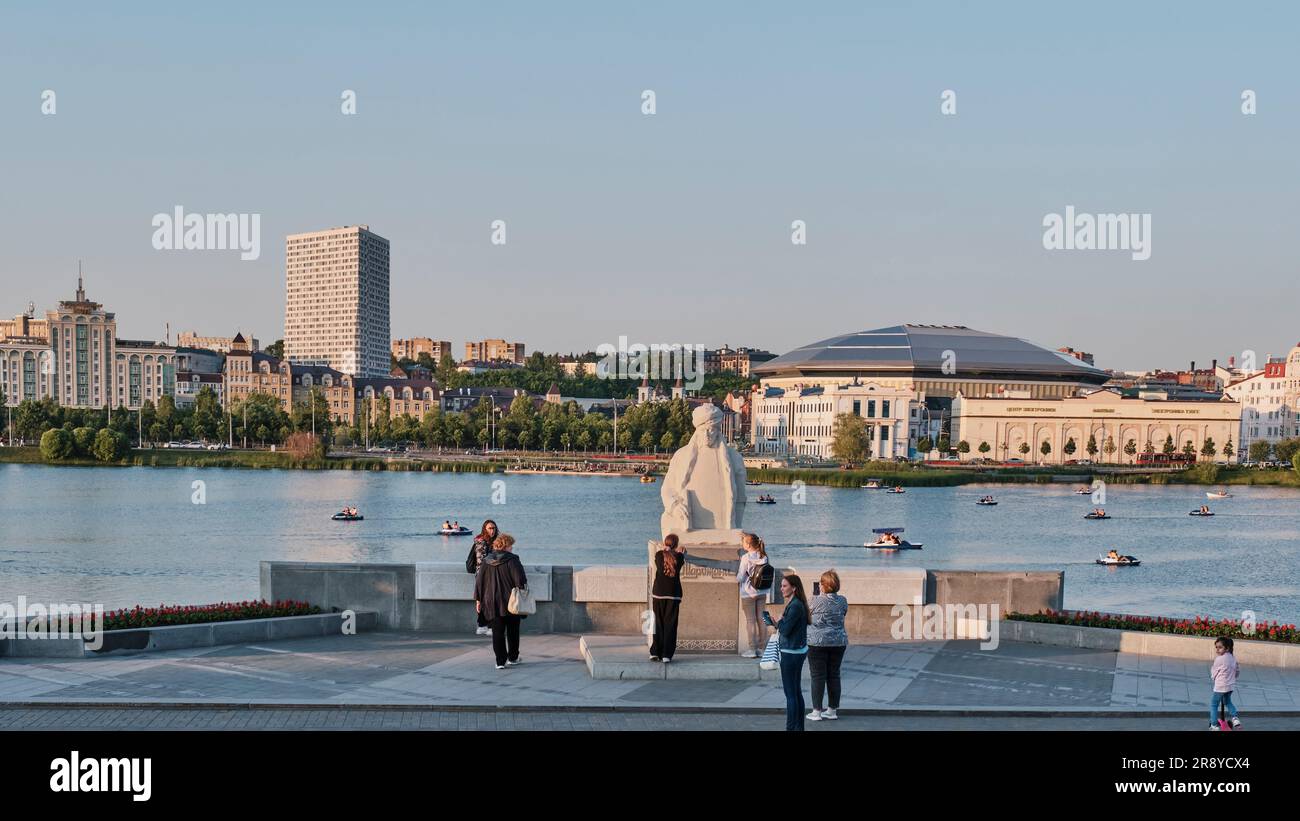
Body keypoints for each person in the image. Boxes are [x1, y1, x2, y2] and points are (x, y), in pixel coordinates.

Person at [474, 533, 528, 670]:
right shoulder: (513, 559)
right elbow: (520, 580)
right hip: (511, 601)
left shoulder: (486, 560)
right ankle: (513, 658)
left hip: (491, 602)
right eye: (511, 546)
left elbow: (480, 582)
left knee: (497, 632)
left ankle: (500, 661)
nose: (512, 548)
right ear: (506, 545)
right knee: (513, 631)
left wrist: (478, 600)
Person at [807, 570, 848, 721]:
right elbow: (843, 614)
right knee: (834, 675)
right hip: (838, 642)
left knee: (817, 676)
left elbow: (807, 615)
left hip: (817, 643)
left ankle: (816, 711)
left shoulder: (815, 600)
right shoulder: (843, 600)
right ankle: (832, 710)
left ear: (823, 585)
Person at [773, 574, 810, 731]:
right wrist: (780, 622)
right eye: (781, 586)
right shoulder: (797, 603)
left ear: (794, 587)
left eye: (785, 586)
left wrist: (778, 622)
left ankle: (791, 728)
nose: (781, 589)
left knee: (791, 694)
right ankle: (799, 727)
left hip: (791, 652)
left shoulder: (795, 606)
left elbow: (786, 631)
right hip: (797, 651)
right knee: (796, 691)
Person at [650, 533, 686, 662]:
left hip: (658, 594)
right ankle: (666, 655)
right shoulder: (679, 557)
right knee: (670, 625)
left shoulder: (659, 555)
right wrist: (680, 552)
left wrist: (664, 549)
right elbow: (679, 557)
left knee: (657, 623)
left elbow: (659, 557)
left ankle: (655, 652)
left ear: (665, 543)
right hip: (673, 595)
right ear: (676, 544)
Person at [736, 532, 770, 658]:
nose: (742, 543)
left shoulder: (746, 558)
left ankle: (752, 649)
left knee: (751, 621)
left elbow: (740, 577)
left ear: (748, 545)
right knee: (761, 620)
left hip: (748, 593)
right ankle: (762, 648)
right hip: (762, 592)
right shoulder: (764, 556)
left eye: (744, 542)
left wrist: (736, 578)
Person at [470, 520, 500, 636]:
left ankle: (487, 625)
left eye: (493, 528)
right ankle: (483, 625)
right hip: (483, 575)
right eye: (489, 528)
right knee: (484, 600)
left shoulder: (496, 540)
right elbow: (481, 561)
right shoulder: (481, 541)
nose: (492, 530)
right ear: (484, 529)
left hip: (493, 574)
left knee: (491, 600)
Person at [1210, 637, 1242, 730]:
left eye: (1220, 647)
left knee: (1214, 704)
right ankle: (1235, 718)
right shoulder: (1233, 658)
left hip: (1220, 686)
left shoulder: (1219, 659)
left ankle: (1214, 725)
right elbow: (1237, 671)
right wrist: (1233, 677)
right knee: (1227, 702)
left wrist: (1213, 678)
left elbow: (1214, 671)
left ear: (1227, 648)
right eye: (1216, 647)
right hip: (1230, 686)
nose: (1217, 650)